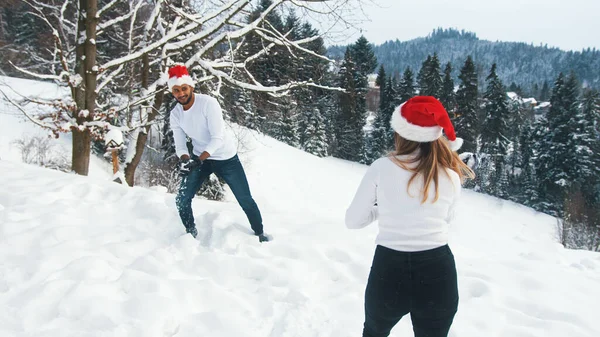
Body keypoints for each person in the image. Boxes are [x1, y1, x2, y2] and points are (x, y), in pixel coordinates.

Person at [345, 96, 475, 337]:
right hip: (438, 271)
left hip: (389, 270)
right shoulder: (451, 176)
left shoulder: (381, 168)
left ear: (401, 132)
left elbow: (353, 221)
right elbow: (445, 219)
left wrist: (383, 210)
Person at [167, 64, 270, 243]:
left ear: (191, 87)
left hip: (225, 158)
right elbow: (180, 143)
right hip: (200, 159)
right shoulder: (176, 114)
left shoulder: (208, 103)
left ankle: (260, 233)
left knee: (244, 198)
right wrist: (185, 159)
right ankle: (191, 234)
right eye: (176, 90)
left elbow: (218, 138)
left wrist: (198, 160)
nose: (181, 93)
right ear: (172, 92)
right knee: (182, 199)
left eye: (184, 88)